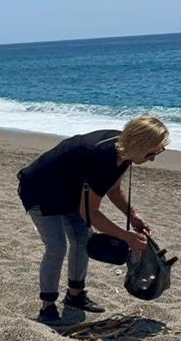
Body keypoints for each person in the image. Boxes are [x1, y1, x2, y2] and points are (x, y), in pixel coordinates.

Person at [16, 115, 170, 323]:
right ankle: (47, 307)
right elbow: (91, 214)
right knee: (56, 246)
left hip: (71, 192)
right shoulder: (101, 156)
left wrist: (132, 216)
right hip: (41, 190)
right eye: (152, 153)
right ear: (139, 144)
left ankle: (75, 295)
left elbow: (114, 189)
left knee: (82, 241)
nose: (152, 158)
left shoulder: (124, 153)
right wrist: (127, 237)